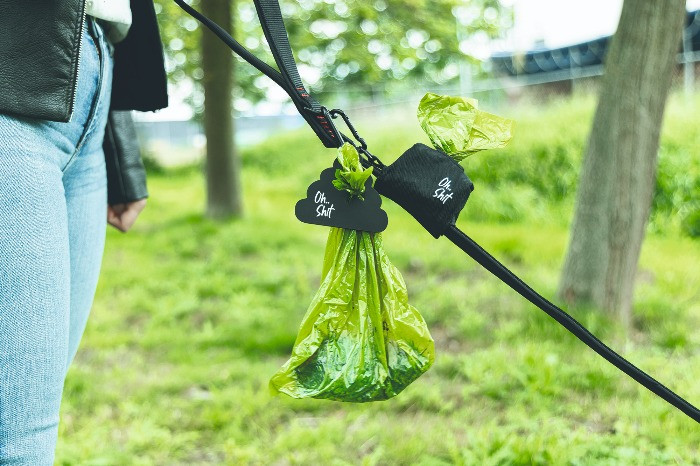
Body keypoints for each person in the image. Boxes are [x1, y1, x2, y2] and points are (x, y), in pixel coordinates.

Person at [0, 1, 168, 463]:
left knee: (36, 404)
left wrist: (118, 152)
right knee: (17, 441)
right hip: (10, 91)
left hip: (92, 75)